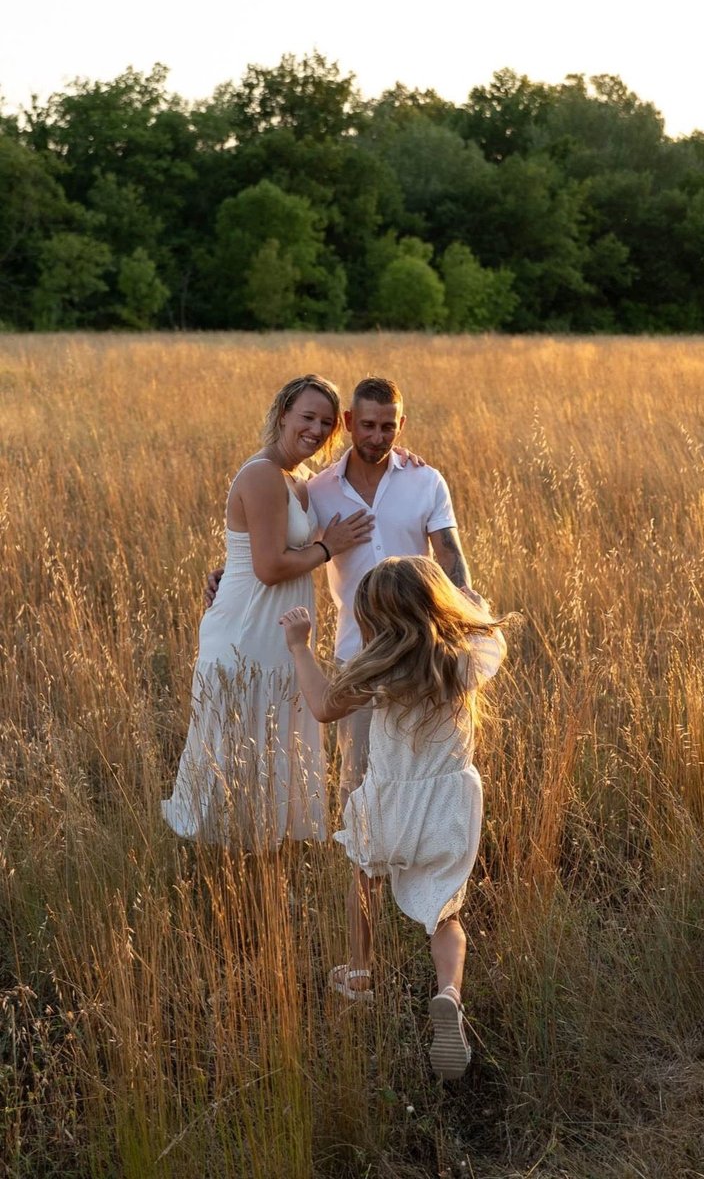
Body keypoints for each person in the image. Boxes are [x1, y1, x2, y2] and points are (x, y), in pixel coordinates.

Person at [280, 556, 507, 1080]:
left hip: (389, 804)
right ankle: (448, 991)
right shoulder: (466, 656)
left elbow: (321, 705)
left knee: (365, 874)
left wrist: (299, 645)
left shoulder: (380, 670)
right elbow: (481, 617)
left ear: (375, 621)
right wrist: (465, 603)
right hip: (450, 807)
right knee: (446, 916)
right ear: (438, 603)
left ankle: (360, 970)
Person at [207, 376, 472, 811]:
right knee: (360, 783)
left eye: (388, 427)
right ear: (349, 422)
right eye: (367, 425)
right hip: (359, 653)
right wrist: (227, 573)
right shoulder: (318, 488)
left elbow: (451, 560)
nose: (377, 437)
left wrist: (464, 628)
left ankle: (420, 870)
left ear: (401, 425)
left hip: (426, 652)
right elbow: (275, 544)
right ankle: (361, 881)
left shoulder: (426, 481)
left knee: (432, 779)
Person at [161, 374, 374, 850]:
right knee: (236, 749)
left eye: (325, 422)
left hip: (278, 633)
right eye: (307, 417)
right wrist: (327, 547)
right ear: (282, 414)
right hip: (245, 632)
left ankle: (261, 862)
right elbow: (270, 565)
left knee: (270, 746)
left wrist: (404, 459)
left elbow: (258, 549)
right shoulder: (260, 474)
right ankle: (220, 874)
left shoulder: (299, 480)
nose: (316, 429)